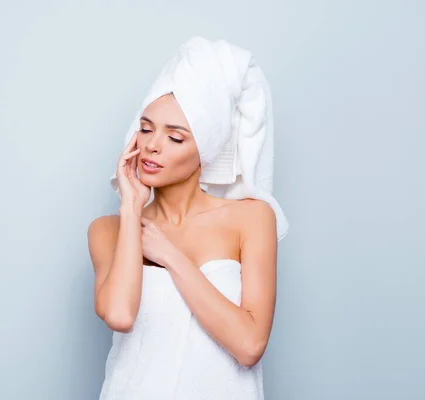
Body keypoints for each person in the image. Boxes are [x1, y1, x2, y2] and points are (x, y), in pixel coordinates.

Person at [87, 37, 289, 399]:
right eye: (146, 128)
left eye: (175, 138)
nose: (152, 145)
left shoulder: (251, 218)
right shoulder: (109, 229)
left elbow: (249, 345)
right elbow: (119, 314)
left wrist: (169, 255)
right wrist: (131, 208)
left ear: (206, 150)